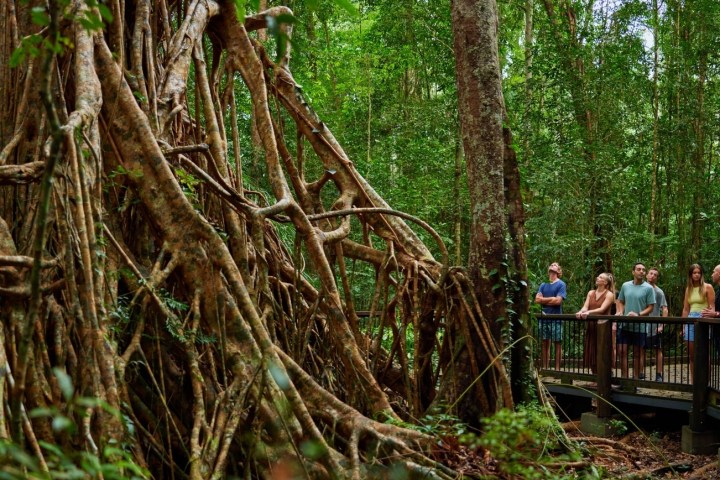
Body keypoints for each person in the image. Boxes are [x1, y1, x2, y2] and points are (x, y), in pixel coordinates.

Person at [615, 263, 655, 379]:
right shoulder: (625, 285)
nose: (641, 271)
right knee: (622, 351)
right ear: (633, 272)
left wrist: (638, 314)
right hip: (625, 325)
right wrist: (621, 312)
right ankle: (625, 379)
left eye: (643, 269)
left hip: (640, 326)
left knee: (638, 353)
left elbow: (650, 307)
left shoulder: (648, 288)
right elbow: (620, 300)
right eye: (639, 269)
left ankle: (635, 381)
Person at [576, 273, 616, 373]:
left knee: (602, 350)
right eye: (598, 277)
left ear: (605, 282)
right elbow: (586, 306)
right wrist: (581, 311)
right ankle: (594, 377)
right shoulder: (591, 293)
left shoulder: (609, 294)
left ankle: (605, 376)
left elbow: (602, 309)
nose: (597, 278)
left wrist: (589, 312)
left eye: (600, 277)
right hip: (592, 326)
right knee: (592, 349)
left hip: (603, 326)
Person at [682, 263, 715, 381]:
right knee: (692, 355)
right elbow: (686, 309)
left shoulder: (708, 287)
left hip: (703, 320)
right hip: (690, 319)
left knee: (704, 354)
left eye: (698, 273)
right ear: (690, 275)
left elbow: (712, 307)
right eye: (694, 273)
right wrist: (683, 326)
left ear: (701, 274)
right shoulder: (688, 289)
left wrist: (709, 318)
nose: (696, 275)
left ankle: (706, 382)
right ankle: (694, 382)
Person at [535, 262, 567, 370]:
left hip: (556, 318)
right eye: (551, 264)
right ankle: (545, 368)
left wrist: (544, 300)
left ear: (558, 271)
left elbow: (558, 301)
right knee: (544, 342)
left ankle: (557, 369)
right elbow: (537, 300)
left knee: (557, 343)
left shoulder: (561, 284)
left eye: (555, 265)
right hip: (544, 318)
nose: (552, 265)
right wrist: (551, 299)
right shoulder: (543, 285)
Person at [643, 267, 668, 382]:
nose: (652, 276)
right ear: (647, 275)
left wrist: (662, 325)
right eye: (651, 273)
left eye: (655, 275)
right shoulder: (640, 289)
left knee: (658, 349)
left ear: (657, 278)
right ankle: (640, 372)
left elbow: (665, 309)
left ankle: (659, 374)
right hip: (642, 325)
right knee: (640, 349)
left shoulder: (659, 292)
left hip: (654, 326)